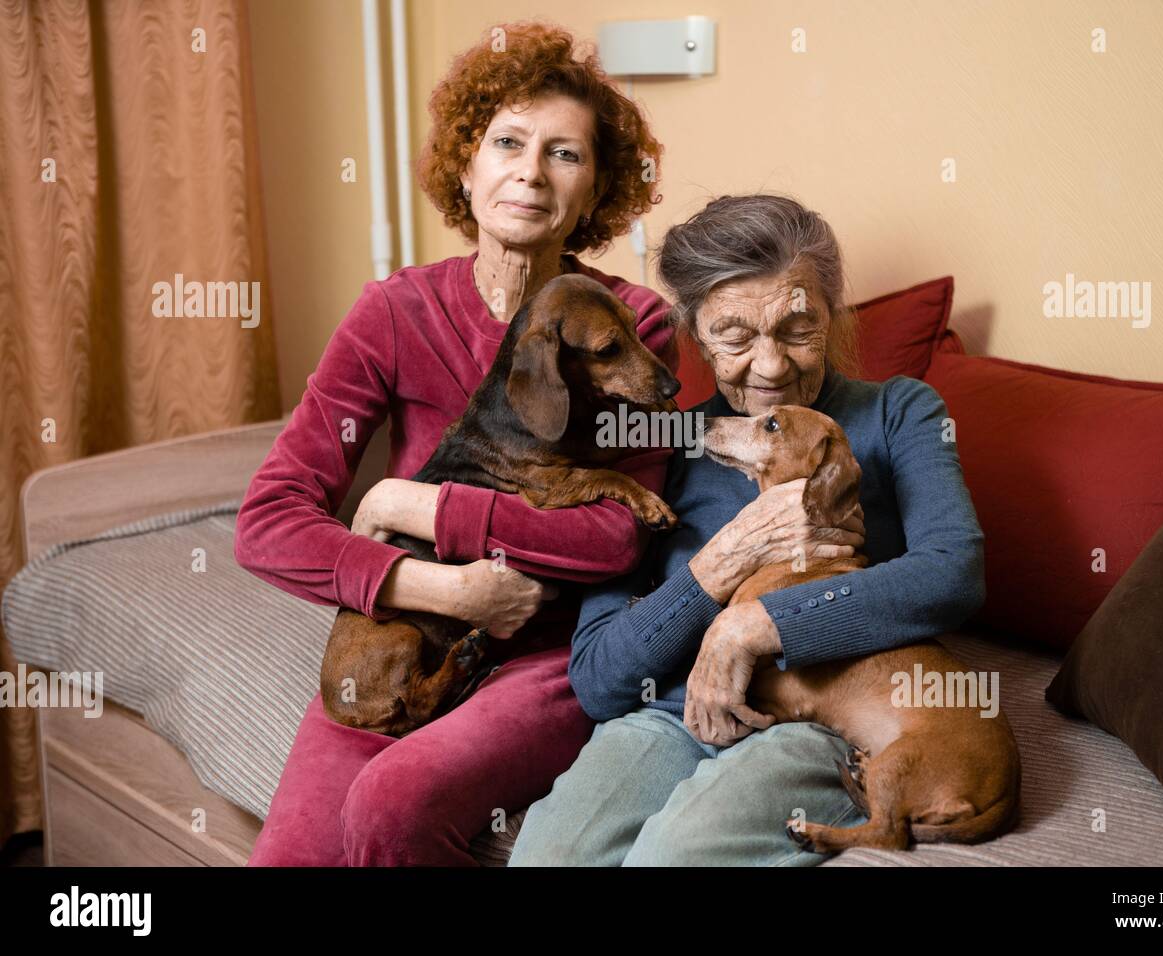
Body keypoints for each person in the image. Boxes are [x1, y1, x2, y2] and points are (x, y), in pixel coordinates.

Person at [234, 21, 673, 866]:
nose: (530, 171)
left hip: (546, 655)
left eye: (564, 154)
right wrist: (436, 585)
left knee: (394, 808)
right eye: (506, 141)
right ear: (466, 166)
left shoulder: (636, 328)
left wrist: (420, 504)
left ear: (596, 193)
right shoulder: (394, 312)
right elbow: (266, 522)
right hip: (409, 628)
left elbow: (620, 536)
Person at [509, 194, 987, 866]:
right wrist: (723, 563)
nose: (771, 367)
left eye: (798, 330)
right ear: (695, 335)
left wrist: (756, 625)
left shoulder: (899, 411)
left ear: (831, 317)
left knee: (671, 859)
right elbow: (598, 676)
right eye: (735, 336)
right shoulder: (655, 442)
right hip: (666, 712)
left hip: (820, 717)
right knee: (547, 860)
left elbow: (952, 573)